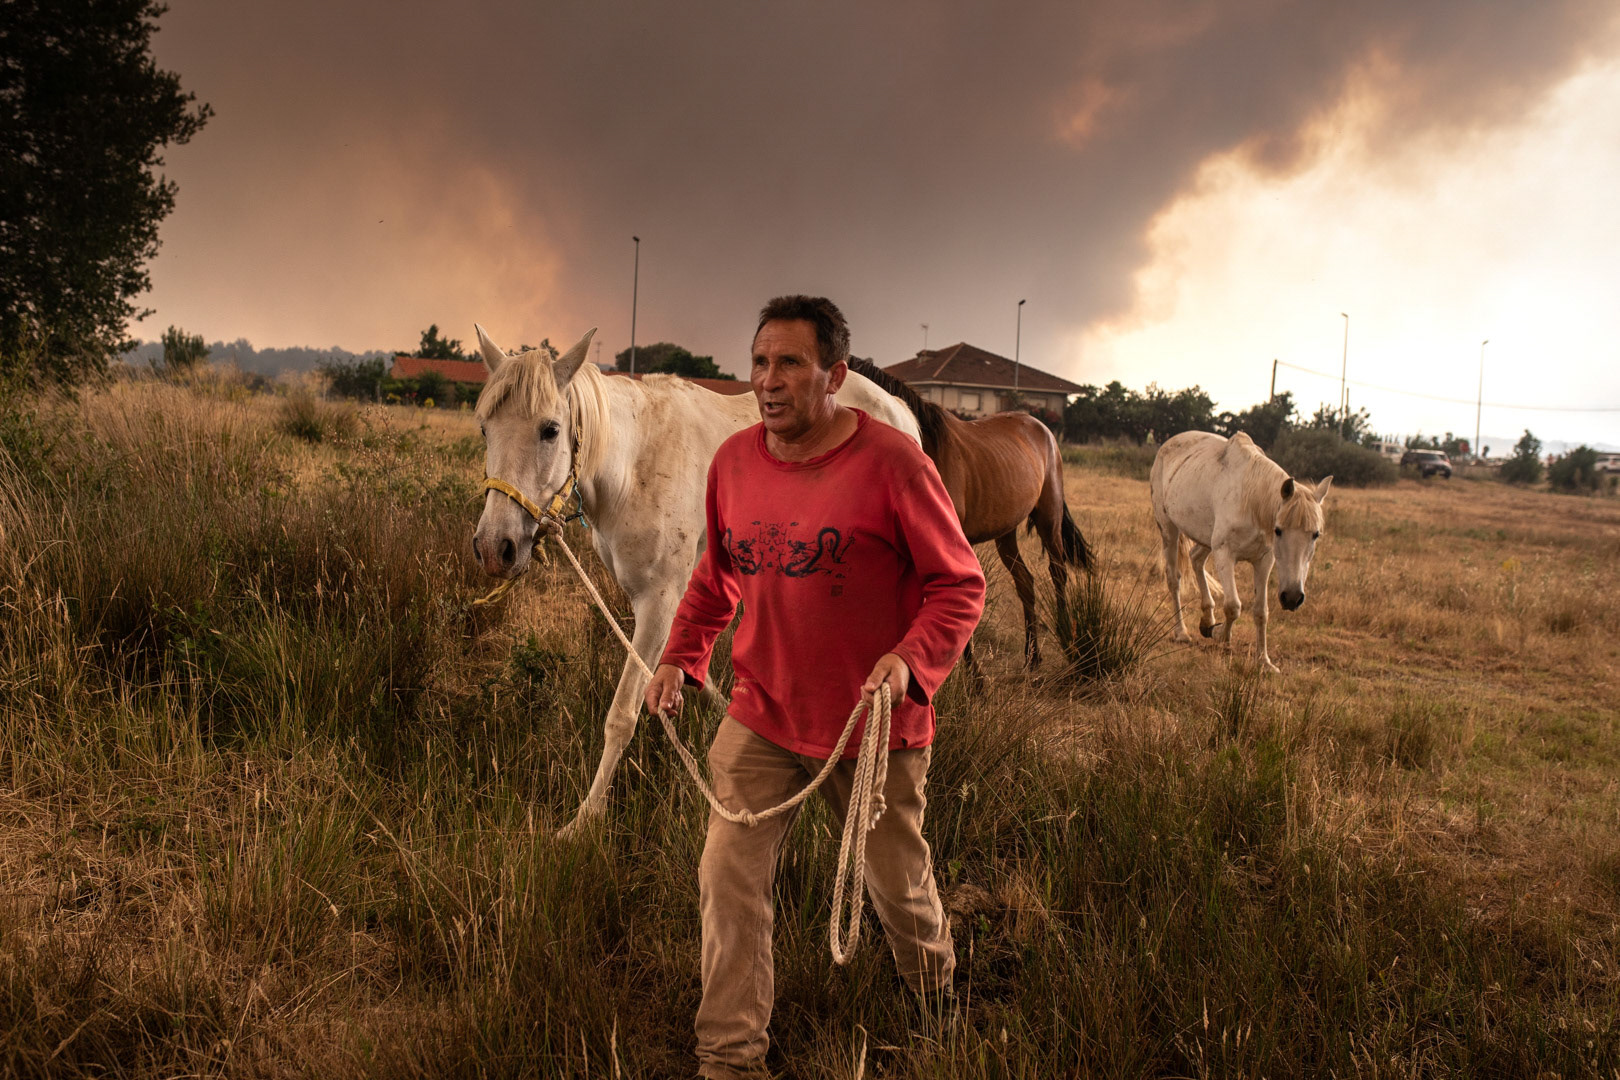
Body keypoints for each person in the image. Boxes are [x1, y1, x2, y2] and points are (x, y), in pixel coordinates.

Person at [644, 295, 986, 1080]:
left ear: (835, 375)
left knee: (896, 884)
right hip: (760, 714)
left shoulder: (895, 464)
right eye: (760, 362)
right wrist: (679, 656)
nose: (769, 381)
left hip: (868, 732)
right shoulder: (732, 463)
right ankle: (730, 1060)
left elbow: (959, 586)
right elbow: (717, 576)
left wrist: (910, 662)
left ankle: (935, 997)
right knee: (727, 880)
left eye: (790, 363)